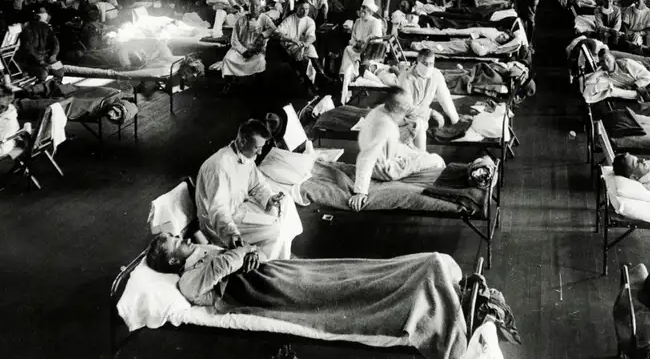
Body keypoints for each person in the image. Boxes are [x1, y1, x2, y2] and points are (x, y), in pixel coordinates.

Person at [144, 234, 470, 359]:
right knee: (345, 292)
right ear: (173, 260)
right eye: (176, 241)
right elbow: (225, 264)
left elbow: (235, 256)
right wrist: (241, 252)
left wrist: (250, 251)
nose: (182, 237)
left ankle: (430, 273)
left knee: (349, 272)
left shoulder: (200, 253)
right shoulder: (186, 281)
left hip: (274, 272)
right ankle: (426, 289)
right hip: (268, 292)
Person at [195, 119, 301, 261]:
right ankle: (277, 262)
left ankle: (282, 251)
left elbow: (257, 184)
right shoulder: (219, 167)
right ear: (243, 141)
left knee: (286, 200)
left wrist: (269, 198)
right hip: (220, 225)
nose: (261, 151)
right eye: (257, 148)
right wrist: (231, 233)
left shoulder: (245, 156)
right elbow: (218, 210)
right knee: (275, 230)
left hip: (237, 209)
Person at [348, 87, 446, 211]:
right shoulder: (384, 126)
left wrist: (431, 112)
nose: (408, 110)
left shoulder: (382, 109)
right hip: (386, 169)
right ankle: (439, 188)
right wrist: (360, 191)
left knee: (419, 134)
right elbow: (366, 158)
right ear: (397, 108)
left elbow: (411, 109)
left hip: (390, 152)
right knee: (437, 160)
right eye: (405, 108)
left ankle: (420, 165)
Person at [396, 49, 460, 151]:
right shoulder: (406, 77)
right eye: (425, 63)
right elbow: (406, 107)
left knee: (436, 122)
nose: (428, 67)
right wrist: (430, 112)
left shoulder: (436, 75)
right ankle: (420, 156)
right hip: (404, 116)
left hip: (422, 116)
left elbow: (445, 98)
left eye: (431, 64)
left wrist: (455, 120)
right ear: (418, 62)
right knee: (417, 128)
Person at [221, 0, 276, 78]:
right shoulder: (240, 20)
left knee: (260, 61)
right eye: (252, 6)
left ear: (260, 7)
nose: (254, 8)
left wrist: (262, 35)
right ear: (248, 7)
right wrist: (244, 51)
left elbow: (273, 28)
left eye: (257, 5)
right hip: (240, 50)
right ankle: (229, 81)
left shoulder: (264, 18)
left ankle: (256, 80)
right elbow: (234, 40)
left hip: (256, 51)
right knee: (228, 58)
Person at [339, 0, 385, 80]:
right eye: (362, 11)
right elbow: (352, 38)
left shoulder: (375, 22)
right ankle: (346, 75)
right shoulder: (357, 21)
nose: (362, 14)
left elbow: (378, 39)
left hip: (369, 51)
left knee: (352, 54)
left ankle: (352, 75)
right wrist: (355, 43)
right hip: (357, 48)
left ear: (371, 12)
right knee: (348, 49)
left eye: (365, 11)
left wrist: (366, 41)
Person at [18, 6, 63, 82]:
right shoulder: (27, 29)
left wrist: (54, 55)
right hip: (33, 61)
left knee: (60, 70)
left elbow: (56, 43)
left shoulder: (46, 27)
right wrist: (40, 62)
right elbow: (29, 49)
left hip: (46, 58)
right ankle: (40, 89)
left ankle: (55, 87)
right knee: (43, 74)